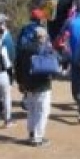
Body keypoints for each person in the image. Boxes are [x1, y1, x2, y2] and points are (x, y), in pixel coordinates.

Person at [15, 13, 57, 147]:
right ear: (42, 37)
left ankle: (32, 134)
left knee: (32, 109)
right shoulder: (46, 49)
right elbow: (54, 65)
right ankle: (38, 137)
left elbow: (18, 65)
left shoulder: (24, 48)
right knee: (43, 110)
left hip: (28, 84)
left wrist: (20, 82)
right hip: (42, 85)